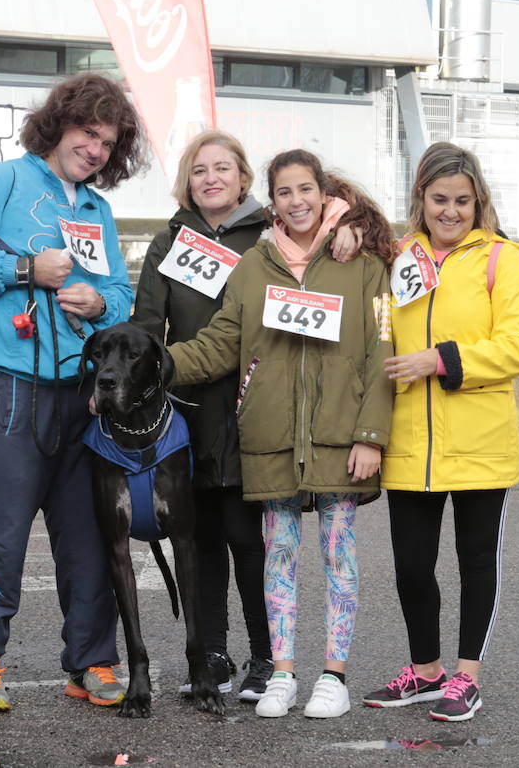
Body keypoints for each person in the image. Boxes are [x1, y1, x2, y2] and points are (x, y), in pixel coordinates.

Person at [0, 73, 143, 712]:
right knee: (0, 527)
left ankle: (91, 662)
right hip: (9, 388)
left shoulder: (97, 213)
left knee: (89, 534)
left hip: (84, 396)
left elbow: (124, 300)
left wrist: (100, 301)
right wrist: (23, 269)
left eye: (108, 142)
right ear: (59, 124)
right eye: (88, 133)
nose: (96, 149)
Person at [166, 148, 395, 720]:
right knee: (279, 556)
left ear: (324, 192)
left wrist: (371, 434)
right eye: (285, 193)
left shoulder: (362, 262)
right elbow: (220, 342)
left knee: (340, 560)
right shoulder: (253, 266)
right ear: (273, 200)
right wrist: (156, 363)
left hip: (341, 439)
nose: (296, 202)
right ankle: (284, 673)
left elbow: (380, 351)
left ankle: (334, 677)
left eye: (305, 190)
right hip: (269, 439)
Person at [364, 142, 519, 722]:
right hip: (411, 443)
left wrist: (438, 360)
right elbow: (381, 327)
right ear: (421, 199)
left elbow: (517, 346)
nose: (451, 212)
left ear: (477, 200)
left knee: (475, 562)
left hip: (480, 442)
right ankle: (427, 673)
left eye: (463, 201)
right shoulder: (400, 256)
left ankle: (468, 677)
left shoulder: (500, 258)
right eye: (440, 199)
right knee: (412, 566)